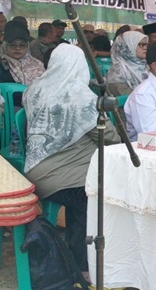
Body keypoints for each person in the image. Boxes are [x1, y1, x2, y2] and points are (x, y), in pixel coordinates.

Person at [23, 44, 120, 280]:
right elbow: (107, 136)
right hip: (64, 178)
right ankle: (85, 267)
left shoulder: (34, 88)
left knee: (90, 194)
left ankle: (83, 261)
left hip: (34, 168)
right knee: (96, 197)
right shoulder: (79, 95)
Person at [106, 31, 149, 96]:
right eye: (141, 44)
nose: (145, 48)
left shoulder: (147, 66)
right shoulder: (117, 73)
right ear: (127, 47)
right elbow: (128, 98)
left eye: (146, 44)